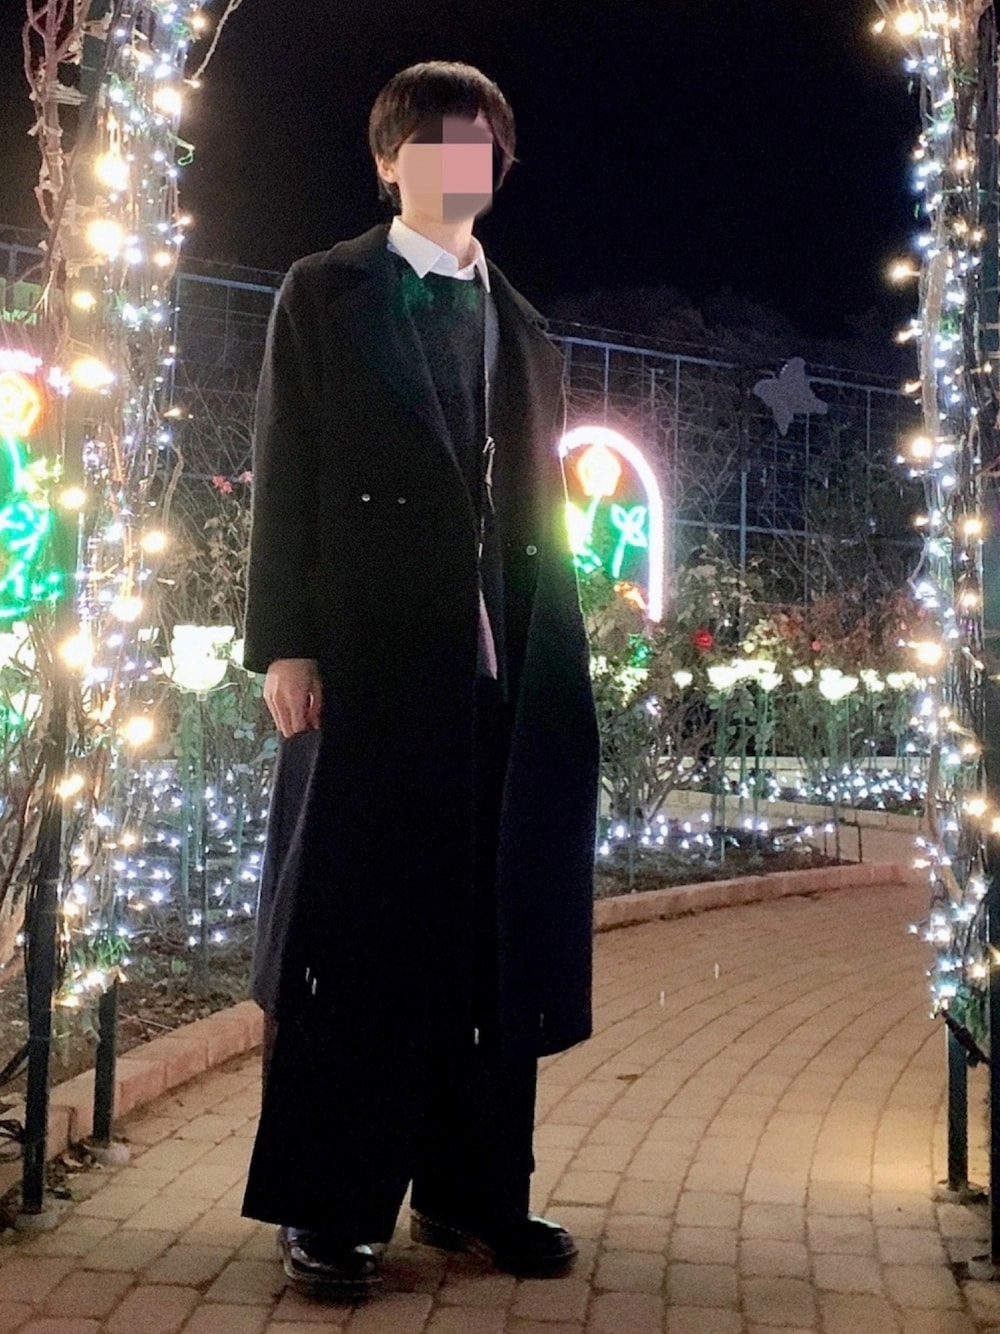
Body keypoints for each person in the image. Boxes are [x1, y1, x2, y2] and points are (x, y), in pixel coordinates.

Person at [239, 59, 600, 1295]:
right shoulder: (324, 290)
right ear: (388, 160)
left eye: (484, 144)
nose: (465, 163)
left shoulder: (526, 325)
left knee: (490, 937)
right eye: (441, 142)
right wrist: (284, 639)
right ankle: (329, 1202)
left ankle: (472, 1192)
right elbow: (286, 464)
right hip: (369, 662)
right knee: (354, 933)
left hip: (504, 676)